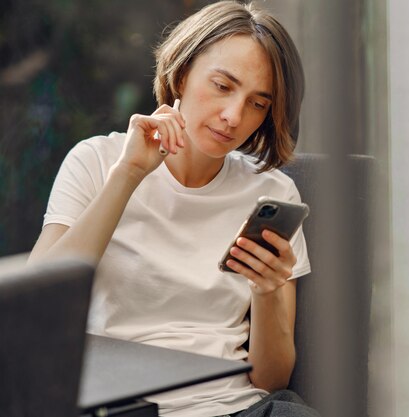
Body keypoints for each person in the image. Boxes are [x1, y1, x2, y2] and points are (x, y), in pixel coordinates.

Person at [29, 1, 319, 416]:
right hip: (118, 405)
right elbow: (40, 309)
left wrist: (268, 290)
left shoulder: (273, 191)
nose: (233, 116)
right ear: (181, 74)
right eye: (222, 85)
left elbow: (271, 381)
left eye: (257, 103)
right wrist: (127, 175)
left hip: (234, 407)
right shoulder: (96, 161)